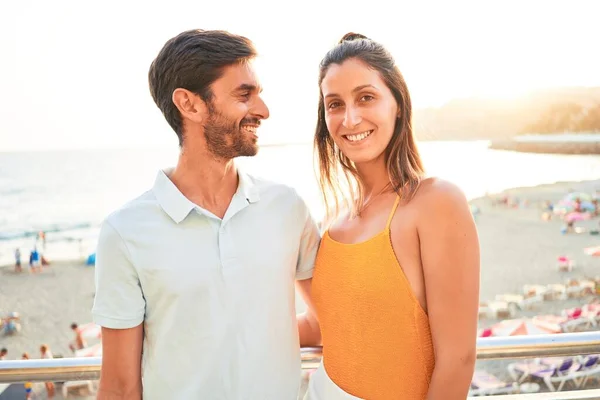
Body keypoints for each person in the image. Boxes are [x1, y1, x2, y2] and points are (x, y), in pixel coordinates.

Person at [92, 29, 320, 400]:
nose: (263, 110)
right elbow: (119, 387)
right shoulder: (125, 232)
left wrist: (255, 336)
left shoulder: (287, 208)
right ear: (190, 104)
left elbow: (328, 322)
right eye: (244, 95)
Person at [302, 33, 480, 400]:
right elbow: (323, 328)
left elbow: (458, 360)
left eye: (366, 97)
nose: (350, 118)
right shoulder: (332, 219)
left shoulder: (435, 202)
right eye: (334, 104)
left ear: (397, 103)